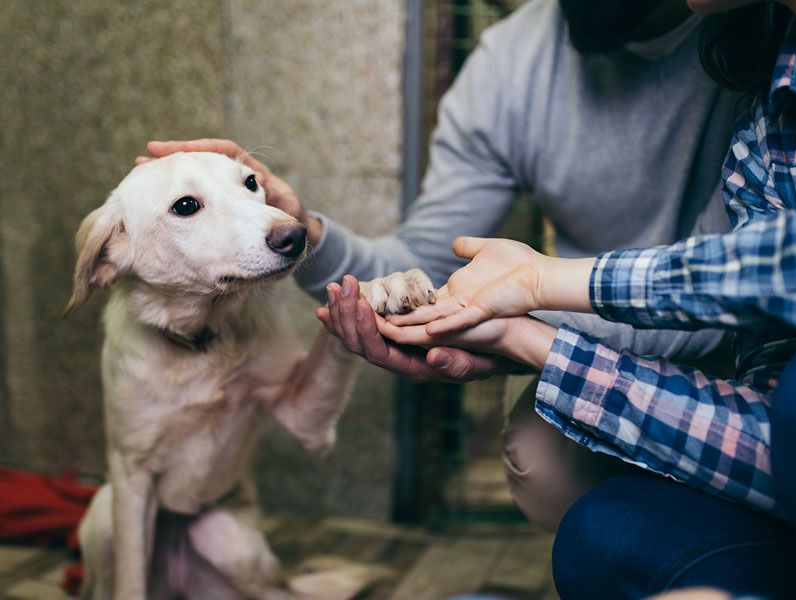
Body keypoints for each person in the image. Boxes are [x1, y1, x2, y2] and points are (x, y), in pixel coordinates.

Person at [142, 0, 743, 531]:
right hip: (602, 328)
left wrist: (518, 331)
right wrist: (304, 233)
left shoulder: (757, 42)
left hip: (749, 336)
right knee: (544, 466)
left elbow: (740, 291)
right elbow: (420, 258)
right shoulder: (513, 60)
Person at [371, 0, 796, 596]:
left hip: (698, 344)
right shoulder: (767, 103)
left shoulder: (736, 61)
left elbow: (772, 267)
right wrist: (520, 336)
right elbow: (780, 448)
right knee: (593, 533)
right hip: (736, 395)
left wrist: (543, 286)